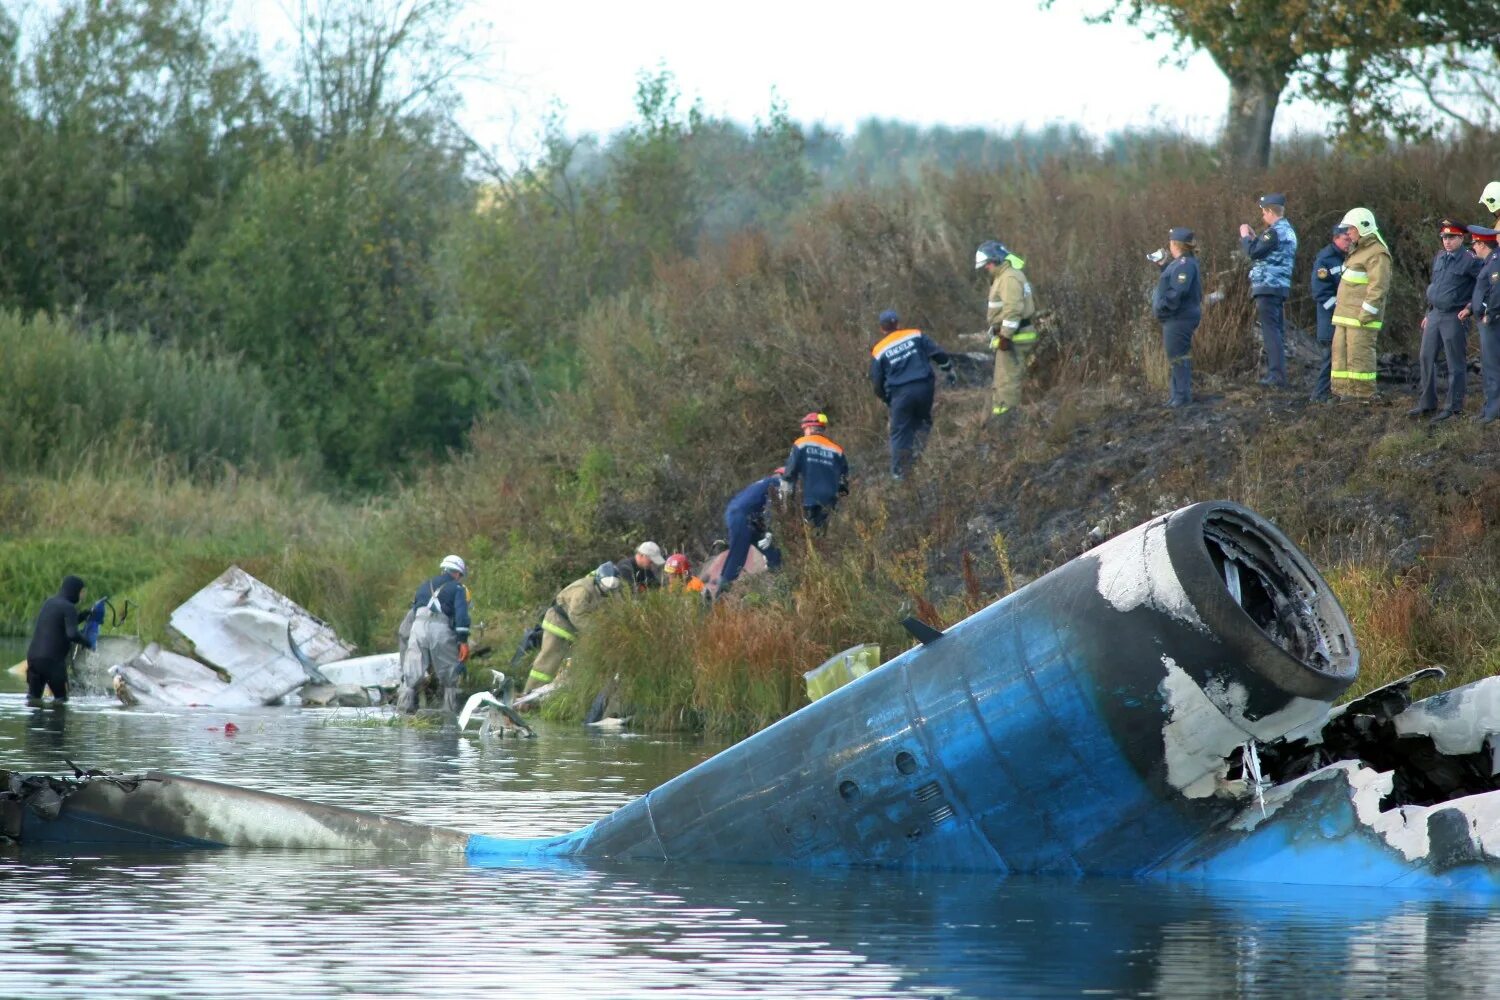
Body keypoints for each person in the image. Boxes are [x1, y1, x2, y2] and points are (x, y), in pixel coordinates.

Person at [869, 309, 956, 478]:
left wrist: (887, 399)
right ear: (898, 324)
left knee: (899, 432)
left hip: (900, 393)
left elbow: (877, 383)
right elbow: (938, 353)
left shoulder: (879, 350)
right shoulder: (915, 334)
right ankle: (917, 456)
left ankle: (900, 474)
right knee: (922, 421)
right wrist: (948, 369)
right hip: (924, 387)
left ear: (881, 328)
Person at [1410, 219, 1483, 422]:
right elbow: (1436, 285)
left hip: (1454, 315)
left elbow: (1482, 286)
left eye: (1452, 237)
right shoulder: (1440, 257)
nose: (1447, 241)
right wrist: (1428, 312)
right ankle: (1427, 403)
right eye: (1444, 237)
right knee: (1426, 357)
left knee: (1455, 362)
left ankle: (1453, 408)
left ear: (1461, 238)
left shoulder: (1471, 260)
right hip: (1435, 314)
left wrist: (1470, 308)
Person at [524, 562, 622, 694]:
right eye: (605, 586)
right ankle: (529, 694)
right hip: (558, 624)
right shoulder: (583, 590)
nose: (607, 590)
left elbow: (618, 608)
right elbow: (577, 615)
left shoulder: (611, 589)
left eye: (612, 587)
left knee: (573, 663)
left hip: (576, 628)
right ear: (598, 579)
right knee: (548, 660)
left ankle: (554, 694)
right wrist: (598, 632)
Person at [1331, 208, 1393, 401]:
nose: (1348, 232)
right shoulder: (1357, 250)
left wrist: (1366, 314)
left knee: (1360, 356)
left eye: (1351, 228)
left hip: (1361, 318)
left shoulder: (1377, 253)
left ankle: (1363, 395)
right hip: (1345, 316)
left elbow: (1378, 287)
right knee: (1340, 356)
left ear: (1363, 227)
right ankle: (1343, 393)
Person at [397, 554, 471, 714]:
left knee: (412, 671)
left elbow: (414, 611)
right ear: (457, 573)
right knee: (450, 674)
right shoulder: (458, 588)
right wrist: (463, 641)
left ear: (444, 569)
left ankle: (404, 711)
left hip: (417, 628)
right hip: (440, 628)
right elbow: (461, 616)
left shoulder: (424, 585)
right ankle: (450, 713)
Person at [1238, 193, 1299, 388]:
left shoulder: (1273, 232)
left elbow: (1253, 252)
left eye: (1264, 212)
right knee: (1276, 331)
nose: (1263, 216)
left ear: (1270, 211)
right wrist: (1256, 239)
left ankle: (1276, 376)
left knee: (1271, 331)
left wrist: (1245, 237)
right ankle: (1279, 375)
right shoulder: (1288, 231)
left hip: (1268, 286)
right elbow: (1268, 250)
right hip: (1280, 286)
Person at [975, 239, 1038, 419]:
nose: (986, 268)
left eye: (987, 264)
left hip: (1015, 337)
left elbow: (1013, 310)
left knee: (1006, 383)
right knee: (1006, 381)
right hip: (1015, 335)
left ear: (996, 260)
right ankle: (1005, 419)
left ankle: (1006, 421)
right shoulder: (1007, 276)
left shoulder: (1008, 278)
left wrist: (1005, 336)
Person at [1151, 228, 1203, 408]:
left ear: (1175, 244)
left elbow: (1179, 290)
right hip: (1178, 316)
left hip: (1180, 316)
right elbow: (1173, 281)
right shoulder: (1180, 263)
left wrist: (1162, 306)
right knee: (1176, 355)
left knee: (1178, 356)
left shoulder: (1185, 264)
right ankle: (1177, 396)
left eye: (1170, 242)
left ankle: (1181, 397)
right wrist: (1163, 265)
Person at [717, 470, 787, 594]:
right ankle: (719, 596)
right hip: (742, 517)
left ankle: (781, 588)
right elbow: (771, 507)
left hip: (742, 515)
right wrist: (769, 531)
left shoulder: (762, 483)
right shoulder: (777, 483)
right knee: (737, 557)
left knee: (775, 553)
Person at [1308, 224, 1356, 402]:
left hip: (1344, 318)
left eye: (1351, 240)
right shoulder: (1325, 259)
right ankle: (1319, 395)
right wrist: (1340, 309)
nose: (1349, 243)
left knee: (1340, 358)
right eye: (1346, 239)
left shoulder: (1348, 257)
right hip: (1330, 320)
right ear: (1335, 238)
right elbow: (1320, 292)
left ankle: (1334, 393)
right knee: (1331, 358)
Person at [25, 574, 88, 703]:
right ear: (74, 591)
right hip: (52, 662)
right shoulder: (69, 607)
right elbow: (72, 634)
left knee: (34, 700)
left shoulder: (49, 603)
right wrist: (88, 643)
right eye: (82, 592)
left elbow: (60, 624)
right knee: (61, 701)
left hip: (33, 659)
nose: (82, 596)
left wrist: (83, 616)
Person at [783, 412, 850, 529]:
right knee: (823, 534)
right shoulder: (837, 450)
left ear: (809, 428)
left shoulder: (801, 444)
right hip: (830, 503)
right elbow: (844, 481)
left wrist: (787, 504)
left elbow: (789, 474)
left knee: (808, 534)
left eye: (804, 430)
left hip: (808, 500)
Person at [1470, 225, 1500, 423]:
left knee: (1493, 366)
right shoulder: (1488, 262)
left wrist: (1490, 313)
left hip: (1492, 322)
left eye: (1474, 243)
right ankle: (1489, 406)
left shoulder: (1495, 262)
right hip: (1485, 321)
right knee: (1488, 366)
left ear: (1482, 244)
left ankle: (1493, 410)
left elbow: (1497, 291)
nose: (1473, 247)